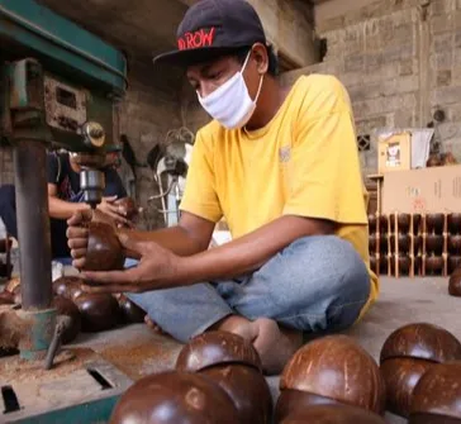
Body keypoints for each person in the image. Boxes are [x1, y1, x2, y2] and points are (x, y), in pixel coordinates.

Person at [66, 0, 379, 374]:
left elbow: (310, 222)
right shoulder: (210, 141)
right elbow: (190, 234)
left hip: (301, 277)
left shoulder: (316, 97)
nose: (207, 94)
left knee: (335, 266)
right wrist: (121, 240)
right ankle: (243, 331)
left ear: (259, 59)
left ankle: (209, 318)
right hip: (246, 274)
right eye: (196, 84)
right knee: (136, 263)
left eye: (215, 75)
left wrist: (181, 277)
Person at [0, 149, 130, 264]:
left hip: (84, 240)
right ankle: (37, 257)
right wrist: (90, 209)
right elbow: (46, 204)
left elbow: (117, 215)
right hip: (48, 237)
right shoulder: (55, 161)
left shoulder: (108, 175)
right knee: (6, 194)